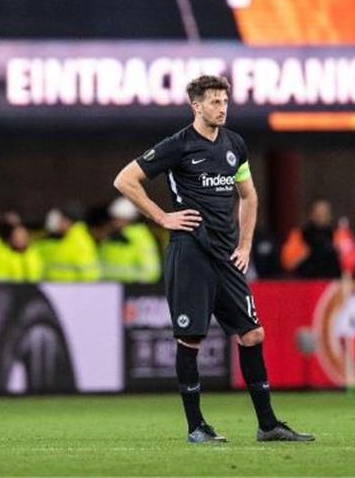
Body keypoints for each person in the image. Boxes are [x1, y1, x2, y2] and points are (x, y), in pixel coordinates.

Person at [113, 74, 313, 444]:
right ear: (196, 106)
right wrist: (162, 217)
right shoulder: (178, 145)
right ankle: (196, 427)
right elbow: (125, 180)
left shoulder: (235, 144)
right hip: (190, 254)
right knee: (191, 340)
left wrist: (246, 245)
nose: (222, 108)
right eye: (215, 102)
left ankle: (267, 425)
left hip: (227, 257)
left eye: (225, 101)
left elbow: (249, 196)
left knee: (253, 334)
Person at [94, 197, 162, 283]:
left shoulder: (140, 237)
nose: (116, 223)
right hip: (109, 288)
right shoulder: (110, 237)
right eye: (115, 219)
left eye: (120, 219)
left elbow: (151, 272)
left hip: (134, 289)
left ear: (130, 219)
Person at [38, 202, 100, 281]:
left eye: (60, 219)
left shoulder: (78, 242)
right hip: (61, 290)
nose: (56, 222)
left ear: (67, 221)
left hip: (72, 291)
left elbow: (88, 274)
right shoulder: (69, 240)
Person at [288, 199, 340, 278]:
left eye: (324, 212)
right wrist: (303, 254)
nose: (321, 215)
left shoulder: (339, 235)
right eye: (317, 212)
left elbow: (353, 261)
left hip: (333, 283)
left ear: (330, 215)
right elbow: (288, 263)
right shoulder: (299, 235)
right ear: (311, 214)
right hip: (307, 282)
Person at [0, 211, 44, 282]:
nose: (20, 240)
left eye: (23, 236)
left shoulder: (34, 255)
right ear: (11, 238)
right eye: (16, 237)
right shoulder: (3, 256)